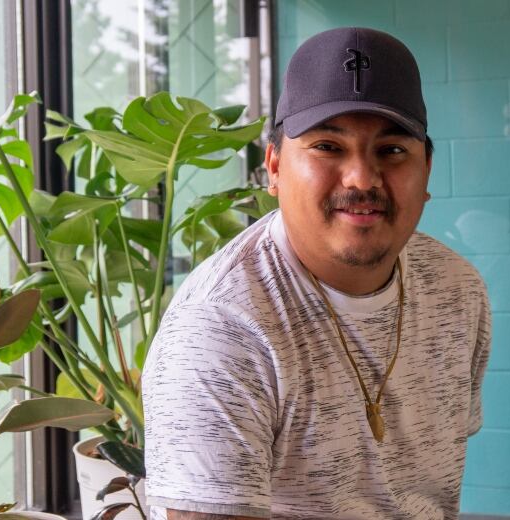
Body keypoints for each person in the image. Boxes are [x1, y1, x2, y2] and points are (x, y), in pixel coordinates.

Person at [142, 27, 491, 520]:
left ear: (427, 171)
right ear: (275, 167)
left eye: (391, 151)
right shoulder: (221, 326)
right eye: (328, 147)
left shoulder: (457, 290)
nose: (362, 179)